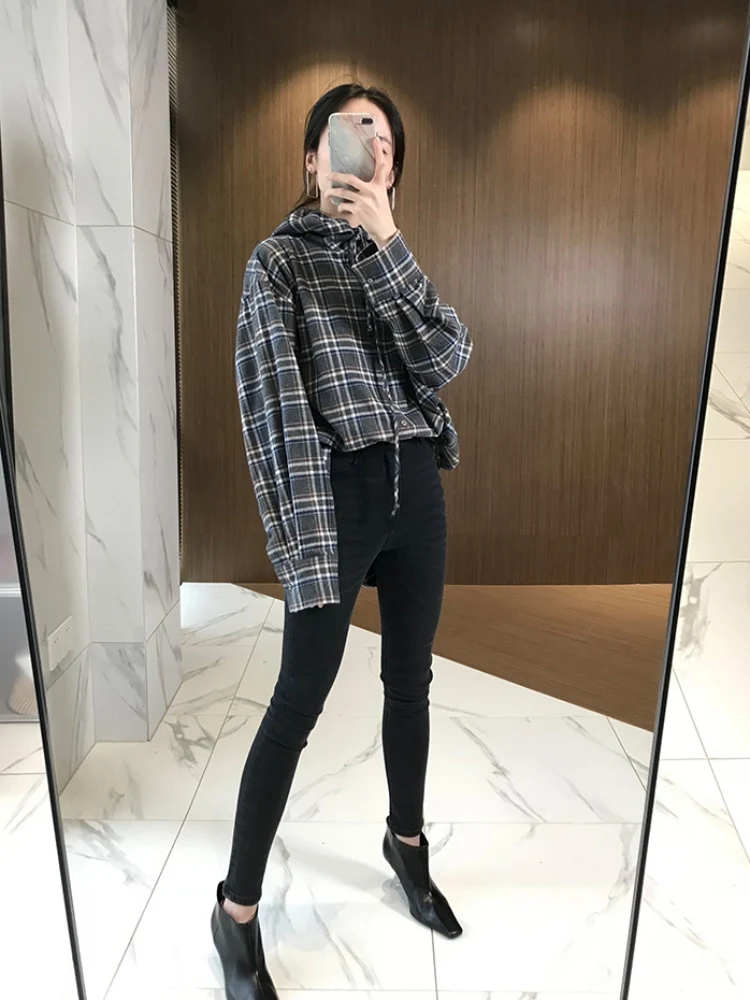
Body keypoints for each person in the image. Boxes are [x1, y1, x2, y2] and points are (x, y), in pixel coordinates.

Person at [212, 83, 472, 1000]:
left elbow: (446, 358)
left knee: (411, 682)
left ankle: (407, 845)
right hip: (338, 496)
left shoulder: (392, 258)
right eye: (350, 132)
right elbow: (275, 417)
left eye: (384, 142)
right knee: (297, 702)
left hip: (417, 488)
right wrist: (305, 543)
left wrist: (390, 245)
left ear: (391, 173)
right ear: (312, 157)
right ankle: (236, 910)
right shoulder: (277, 263)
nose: (369, 147)